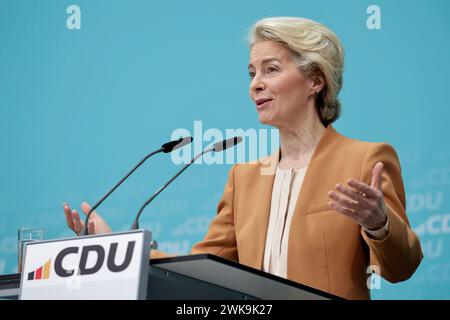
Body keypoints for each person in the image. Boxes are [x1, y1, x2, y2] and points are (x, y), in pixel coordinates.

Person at [63, 17, 423, 300]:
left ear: (315, 80)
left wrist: (379, 224)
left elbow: (401, 267)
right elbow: (202, 268)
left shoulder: (365, 159)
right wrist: (117, 250)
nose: (255, 84)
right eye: (252, 74)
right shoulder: (244, 177)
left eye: (271, 69)